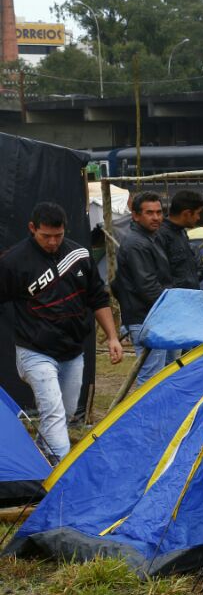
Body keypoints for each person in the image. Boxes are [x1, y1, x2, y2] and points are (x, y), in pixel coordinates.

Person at [0, 203, 123, 462]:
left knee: (64, 415)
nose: (53, 242)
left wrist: (113, 337)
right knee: (54, 413)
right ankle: (62, 473)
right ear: (32, 228)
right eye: (46, 236)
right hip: (34, 351)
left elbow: (98, 298)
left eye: (58, 235)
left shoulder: (80, 255)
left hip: (73, 352)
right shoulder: (13, 261)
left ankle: (39, 457)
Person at [113, 191, 174, 386]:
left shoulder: (151, 238)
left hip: (155, 315)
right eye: (149, 213)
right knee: (151, 380)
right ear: (135, 215)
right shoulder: (136, 244)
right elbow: (148, 287)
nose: (156, 217)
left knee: (164, 375)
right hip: (146, 318)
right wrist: (173, 307)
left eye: (159, 212)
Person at [156, 189, 203, 292]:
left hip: (190, 295)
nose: (198, 218)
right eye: (198, 213)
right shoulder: (161, 236)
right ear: (187, 213)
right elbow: (162, 277)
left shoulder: (181, 232)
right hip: (177, 298)